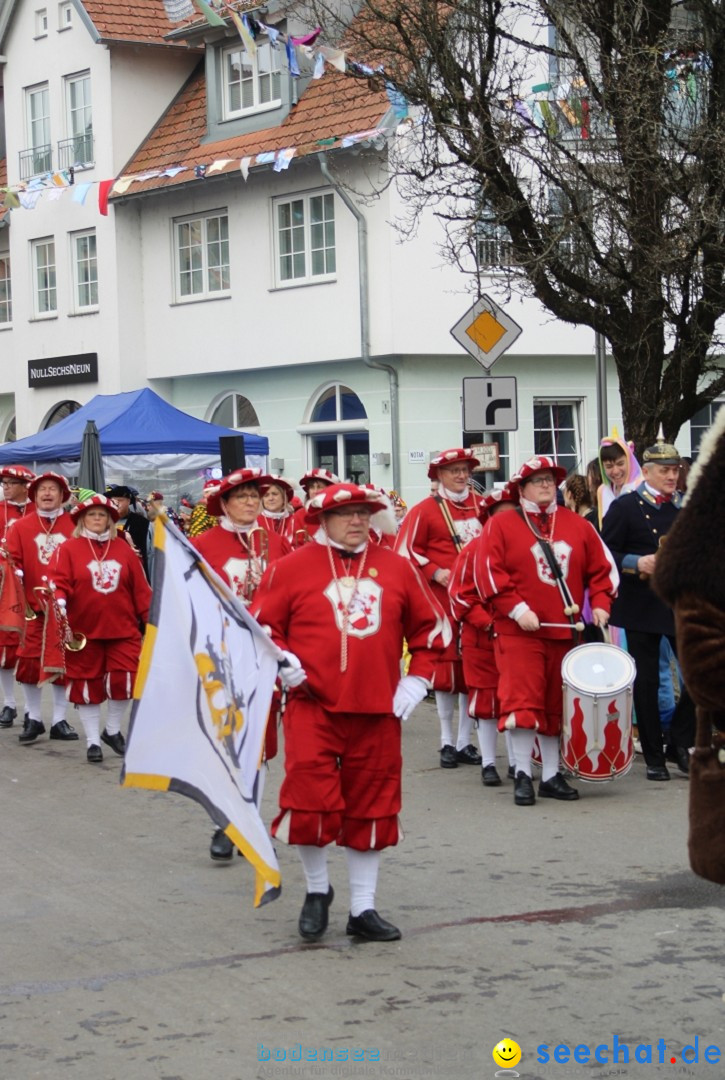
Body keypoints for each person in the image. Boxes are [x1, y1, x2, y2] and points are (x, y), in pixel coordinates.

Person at [252, 483, 449, 942]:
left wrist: (417, 678)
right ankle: (317, 891)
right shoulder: (289, 569)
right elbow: (262, 628)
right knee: (309, 801)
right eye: (346, 515)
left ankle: (363, 908)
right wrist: (284, 664)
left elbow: (431, 628)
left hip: (379, 709)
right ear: (322, 520)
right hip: (312, 706)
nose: (357, 521)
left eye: (364, 513)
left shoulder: (397, 568)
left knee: (372, 806)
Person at [474, 456, 619, 806]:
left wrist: (600, 604)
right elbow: (488, 573)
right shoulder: (503, 525)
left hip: (566, 632)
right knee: (524, 703)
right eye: (537, 480)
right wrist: (517, 608)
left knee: (557, 708)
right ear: (521, 488)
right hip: (519, 632)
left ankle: (552, 776)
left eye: (550, 480)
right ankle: (523, 773)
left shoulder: (578, 525)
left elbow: (604, 571)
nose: (545, 485)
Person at [192, 468, 292, 860]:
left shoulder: (277, 542)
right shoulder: (202, 544)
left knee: (260, 742)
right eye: (243, 497)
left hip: (265, 654)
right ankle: (225, 822)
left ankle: (246, 821)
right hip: (221, 657)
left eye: (255, 496)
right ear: (225, 503)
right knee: (228, 740)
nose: (251, 502)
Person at [601, 432, 697, 780]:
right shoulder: (625, 507)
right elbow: (603, 553)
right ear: (647, 471)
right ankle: (655, 755)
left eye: (676, 470)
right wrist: (634, 562)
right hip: (641, 604)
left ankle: (680, 741)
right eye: (665, 470)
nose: (672, 476)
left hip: (679, 603)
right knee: (647, 682)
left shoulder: (685, 506)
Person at [395, 448, 482, 769]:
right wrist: (435, 571)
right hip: (442, 600)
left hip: (476, 600)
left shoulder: (481, 507)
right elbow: (405, 550)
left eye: (465, 470)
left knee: (473, 672)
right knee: (447, 674)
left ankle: (465, 741)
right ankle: (446, 740)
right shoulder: (424, 511)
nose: (461, 476)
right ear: (439, 475)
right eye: (454, 470)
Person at [47, 494, 152, 763]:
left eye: (102, 515)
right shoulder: (68, 549)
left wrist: (152, 619)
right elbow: (58, 581)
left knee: (126, 679)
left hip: (124, 628)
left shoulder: (124, 550)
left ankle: (112, 730)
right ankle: (93, 741)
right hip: (84, 632)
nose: (97, 519)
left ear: (110, 520)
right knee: (86, 685)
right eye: (92, 515)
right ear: (82, 519)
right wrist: (59, 596)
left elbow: (141, 590)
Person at [448, 485, 519, 786]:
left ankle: (519, 763)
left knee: (518, 702)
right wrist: (489, 623)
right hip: (483, 639)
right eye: (500, 517)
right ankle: (489, 763)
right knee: (487, 704)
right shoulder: (472, 551)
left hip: (517, 639)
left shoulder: (527, 548)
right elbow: (460, 597)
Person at [5, 472, 78, 745]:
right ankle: (34, 717)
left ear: (62, 495)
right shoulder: (20, 527)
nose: (47, 494)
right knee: (28, 662)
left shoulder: (74, 524)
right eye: (42, 490)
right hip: (33, 610)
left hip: (67, 610)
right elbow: (13, 562)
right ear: (34, 496)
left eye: (53, 489)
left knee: (64, 664)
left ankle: (59, 719)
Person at [0, 465, 36, 728]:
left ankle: (31, 711)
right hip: (5, 586)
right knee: (5, 647)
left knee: (30, 650)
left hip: (35, 587)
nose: (5, 487)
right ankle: (9, 704)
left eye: (11, 483)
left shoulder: (40, 512)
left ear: (26, 486)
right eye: (4, 483)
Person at [596, 432, 642, 527]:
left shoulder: (641, 486)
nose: (615, 471)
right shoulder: (603, 491)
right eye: (609, 466)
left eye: (620, 464)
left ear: (629, 461)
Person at [107, 484, 152, 580]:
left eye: (120, 500)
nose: (116, 503)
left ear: (128, 501)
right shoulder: (104, 521)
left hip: (135, 572)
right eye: (113, 500)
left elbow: (150, 553)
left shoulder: (141, 523)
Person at [290, 468, 340, 545]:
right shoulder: (299, 515)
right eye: (312, 487)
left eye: (319, 487)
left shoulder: (338, 514)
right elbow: (292, 545)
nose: (315, 491)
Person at [259, 475, 296, 544]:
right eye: (266, 495)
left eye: (275, 494)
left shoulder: (294, 520)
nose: (271, 498)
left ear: (284, 497)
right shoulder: (255, 522)